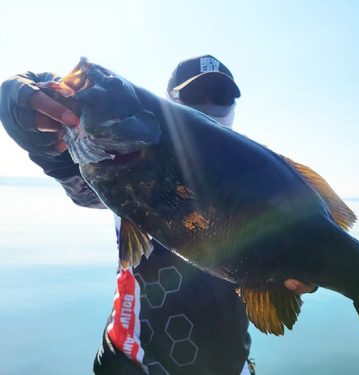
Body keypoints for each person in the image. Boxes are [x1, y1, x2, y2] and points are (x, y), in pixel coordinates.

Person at [0, 55, 315, 375]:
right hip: (133, 366)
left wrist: (305, 267)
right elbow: (76, 175)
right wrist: (20, 104)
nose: (209, 107)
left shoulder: (258, 183)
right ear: (169, 103)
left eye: (221, 97)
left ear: (234, 108)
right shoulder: (129, 161)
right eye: (194, 96)